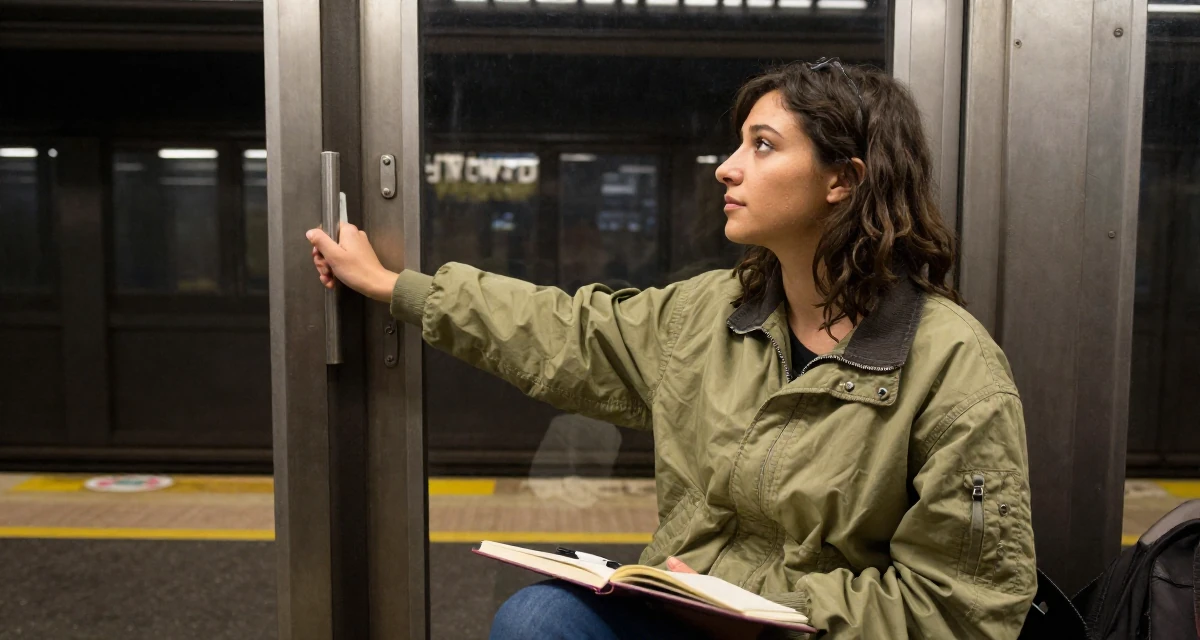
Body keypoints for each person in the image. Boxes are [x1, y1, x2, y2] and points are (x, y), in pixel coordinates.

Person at [306, 59, 1037, 639]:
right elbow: (558, 330)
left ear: (843, 180)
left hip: (811, 632)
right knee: (537, 620)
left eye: (762, 146)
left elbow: (961, 607)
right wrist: (394, 286)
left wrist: (755, 605)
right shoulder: (711, 314)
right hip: (692, 613)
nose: (727, 167)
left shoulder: (951, 365)